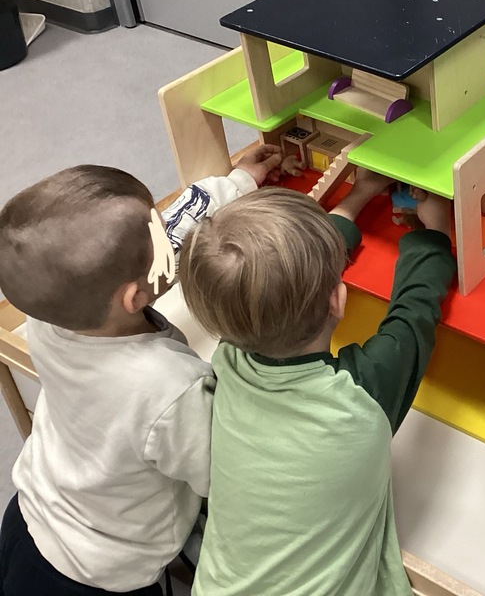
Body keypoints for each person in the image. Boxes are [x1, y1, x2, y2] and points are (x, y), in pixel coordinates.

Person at [0, 147, 284, 594]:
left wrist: (237, 184)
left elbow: (165, 238)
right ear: (133, 298)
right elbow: (224, 473)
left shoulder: (51, 316)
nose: (169, 230)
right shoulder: (169, 389)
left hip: (29, 517)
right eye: (160, 233)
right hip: (102, 576)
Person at [182, 172, 455, 596]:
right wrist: (436, 231)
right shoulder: (361, 394)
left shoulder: (230, 358)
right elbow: (414, 311)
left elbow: (269, 280)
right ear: (338, 299)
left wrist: (358, 196)